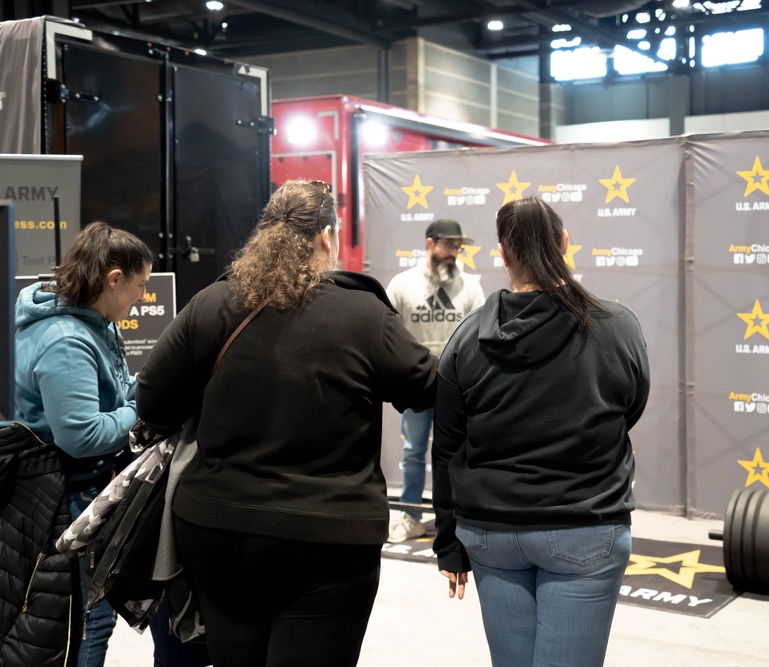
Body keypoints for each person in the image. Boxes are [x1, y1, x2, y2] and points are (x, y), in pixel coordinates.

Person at [135, 179, 436, 667]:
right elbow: (425, 388)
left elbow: (151, 400)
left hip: (216, 529)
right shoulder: (364, 314)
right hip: (325, 540)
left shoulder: (212, 304)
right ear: (327, 236)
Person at [431, 197, 650, 667]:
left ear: (503, 255)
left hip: (491, 533)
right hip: (584, 526)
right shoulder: (617, 327)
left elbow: (447, 444)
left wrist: (448, 542)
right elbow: (629, 407)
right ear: (564, 243)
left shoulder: (465, 339)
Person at [0, 221, 152, 667]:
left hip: (75, 491)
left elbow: (113, 391)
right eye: (139, 286)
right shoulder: (66, 340)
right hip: (63, 498)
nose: (141, 297)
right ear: (114, 279)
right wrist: (141, 415)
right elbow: (83, 436)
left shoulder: (95, 323)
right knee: (83, 621)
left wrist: (143, 390)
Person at [384, 219, 484, 542]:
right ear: (429, 244)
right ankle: (411, 516)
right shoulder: (402, 284)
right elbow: (385, 329)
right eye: (448, 245)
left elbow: (480, 335)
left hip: (457, 385)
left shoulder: (470, 286)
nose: (454, 252)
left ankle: (459, 519)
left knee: (456, 453)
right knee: (413, 451)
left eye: (458, 247)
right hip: (416, 383)